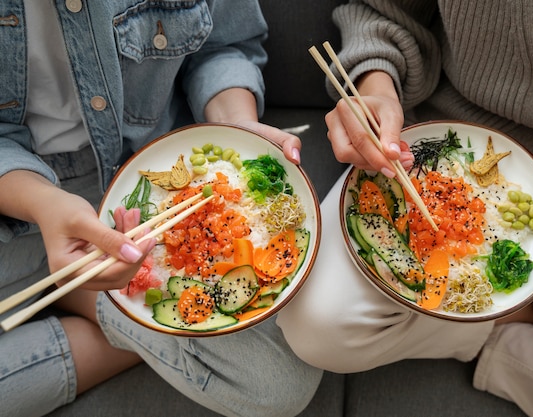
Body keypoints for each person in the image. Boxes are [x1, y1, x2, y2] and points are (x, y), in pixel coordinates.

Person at [276, 1, 533, 416]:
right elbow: (383, 12)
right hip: (434, 145)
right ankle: (500, 325)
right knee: (316, 328)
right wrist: (376, 91)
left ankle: (512, 322)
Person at [0, 1, 321, 416]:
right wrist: (43, 204)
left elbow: (223, 45)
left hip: (151, 175)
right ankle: (96, 309)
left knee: (279, 385)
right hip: (19, 202)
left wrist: (233, 126)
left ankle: (84, 298)